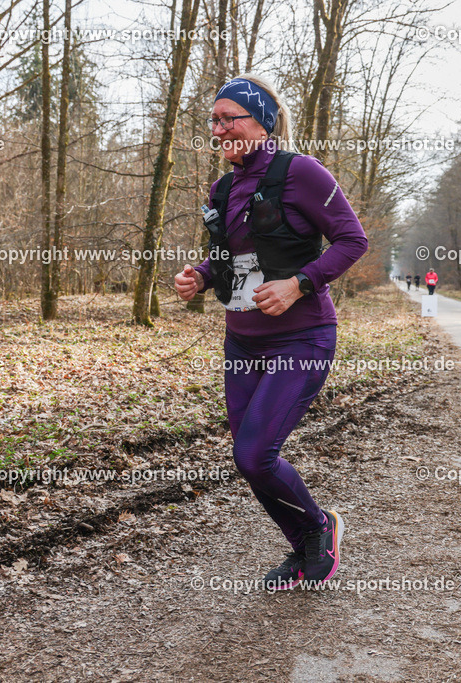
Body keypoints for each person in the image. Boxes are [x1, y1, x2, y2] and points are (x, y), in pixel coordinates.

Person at [174, 74, 368, 589]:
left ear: (260, 121)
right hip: (241, 339)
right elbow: (228, 257)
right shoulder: (223, 186)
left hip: (301, 337)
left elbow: (353, 240)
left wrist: (300, 284)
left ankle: (320, 528)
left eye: (227, 119)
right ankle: (307, 541)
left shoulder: (301, 172)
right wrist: (200, 275)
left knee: (255, 452)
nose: (217, 130)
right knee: (251, 460)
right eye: (212, 120)